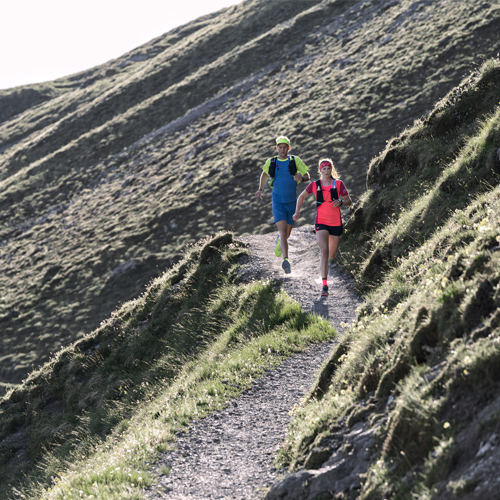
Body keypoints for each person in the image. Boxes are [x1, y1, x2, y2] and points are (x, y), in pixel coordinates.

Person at [293, 158, 352, 296]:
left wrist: (341, 202)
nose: (326, 171)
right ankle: (324, 285)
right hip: (321, 222)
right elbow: (301, 197)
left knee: (332, 254)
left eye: (328, 168)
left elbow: (349, 200)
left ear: (332, 169)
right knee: (324, 252)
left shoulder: (338, 184)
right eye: (323, 168)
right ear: (320, 170)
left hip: (336, 223)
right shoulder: (315, 185)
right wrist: (297, 212)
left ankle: (325, 270)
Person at [255, 136, 310, 274]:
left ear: (288, 148)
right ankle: (286, 260)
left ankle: (280, 240)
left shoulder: (294, 160)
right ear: (276, 148)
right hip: (278, 202)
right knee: (283, 232)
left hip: (292, 203)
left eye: (285, 147)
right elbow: (264, 174)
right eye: (280, 147)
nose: (282, 149)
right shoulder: (271, 162)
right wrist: (260, 189)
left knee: (287, 234)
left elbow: (307, 175)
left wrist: (301, 178)